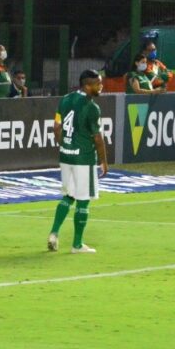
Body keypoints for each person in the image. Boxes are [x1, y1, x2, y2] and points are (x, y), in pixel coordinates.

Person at [48, 69, 109, 254]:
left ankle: (54, 233)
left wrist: (64, 145)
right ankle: (77, 244)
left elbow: (56, 127)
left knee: (68, 195)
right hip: (84, 158)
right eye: (98, 84)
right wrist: (104, 161)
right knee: (83, 200)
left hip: (66, 155)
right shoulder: (92, 107)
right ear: (87, 85)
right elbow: (97, 138)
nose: (101, 86)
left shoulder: (65, 99)